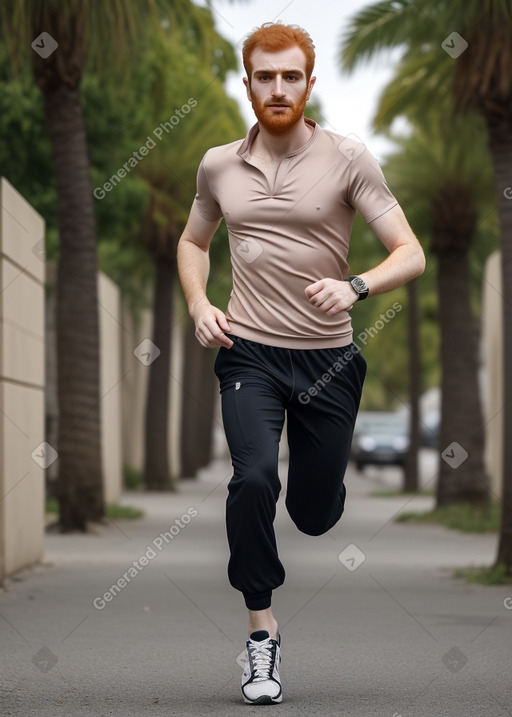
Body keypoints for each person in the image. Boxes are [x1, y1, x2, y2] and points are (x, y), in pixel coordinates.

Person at [177, 22, 425, 705]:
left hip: (327, 361)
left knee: (315, 514)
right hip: (247, 352)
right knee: (254, 477)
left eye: (291, 76)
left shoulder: (349, 159)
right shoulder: (218, 164)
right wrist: (200, 303)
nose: (278, 87)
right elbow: (194, 241)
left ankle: (323, 491)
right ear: (248, 82)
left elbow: (411, 250)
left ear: (310, 83)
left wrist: (357, 285)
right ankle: (262, 631)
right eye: (265, 76)